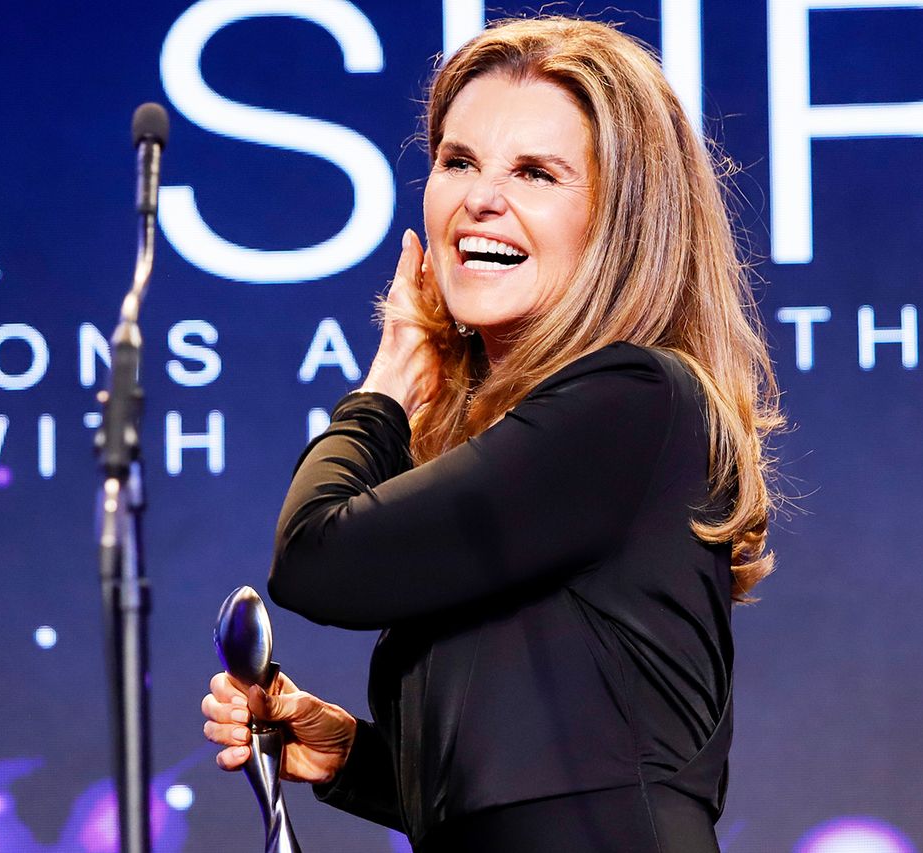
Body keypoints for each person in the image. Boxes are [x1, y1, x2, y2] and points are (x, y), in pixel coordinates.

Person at [201, 16, 781, 853]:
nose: (480, 197)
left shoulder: (630, 399)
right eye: (457, 161)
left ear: (623, 219)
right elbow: (538, 771)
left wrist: (386, 388)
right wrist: (351, 756)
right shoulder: (550, 437)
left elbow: (316, 556)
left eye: (536, 173)